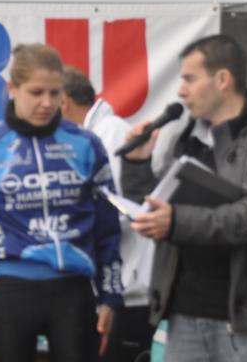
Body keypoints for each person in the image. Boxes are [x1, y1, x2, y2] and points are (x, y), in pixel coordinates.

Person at [121, 34, 247, 362]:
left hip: (246, 320)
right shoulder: (184, 139)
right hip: (184, 315)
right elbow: (155, 208)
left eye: (190, 79)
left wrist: (176, 221)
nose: (180, 90)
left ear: (222, 79)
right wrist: (137, 164)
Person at [0, 43, 123, 362]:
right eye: (36, 92)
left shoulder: (87, 145)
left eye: (55, 93)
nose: (47, 103)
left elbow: (108, 230)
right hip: (12, 292)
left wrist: (111, 296)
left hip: (73, 292)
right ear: (12, 88)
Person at [62, 66, 155, 361]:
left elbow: (118, 210)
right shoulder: (91, 136)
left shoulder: (109, 133)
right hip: (108, 290)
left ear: (63, 101)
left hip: (128, 291)